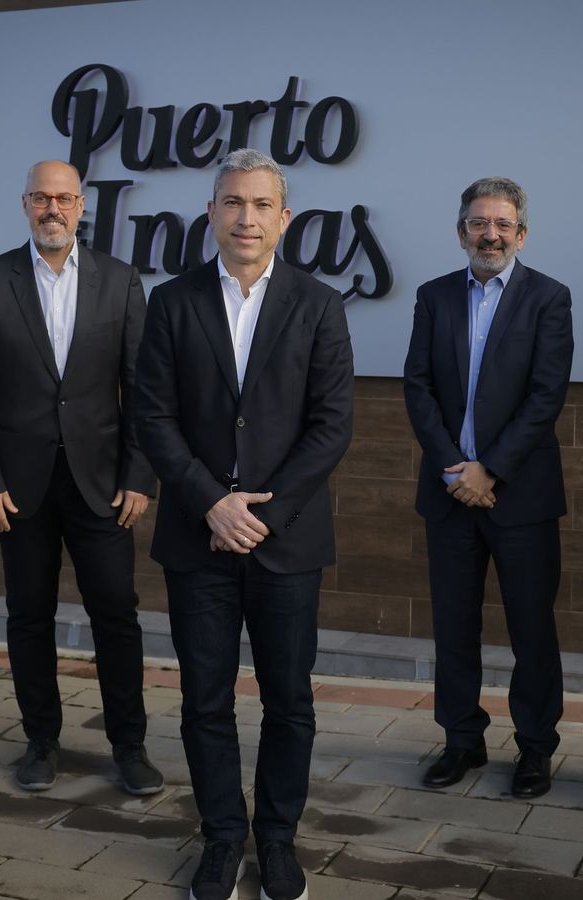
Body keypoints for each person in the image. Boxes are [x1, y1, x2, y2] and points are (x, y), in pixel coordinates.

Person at [133, 148, 353, 900]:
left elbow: (332, 425)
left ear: (284, 219)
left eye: (261, 205)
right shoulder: (172, 302)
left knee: (290, 700)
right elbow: (153, 417)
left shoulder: (319, 304)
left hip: (286, 539)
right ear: (211, 213)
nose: (246, 217)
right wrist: (210, 501)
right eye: (233, 202)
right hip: (198, 537)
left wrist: (263, 513)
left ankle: (279, 841)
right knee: (205, 700)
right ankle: (223, 839)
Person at [0, 161, 161, 795]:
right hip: (19, 486)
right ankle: (41, 741)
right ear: (25, 204)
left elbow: (144, 388)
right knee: (28, 615)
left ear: (81, 206)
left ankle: (129, 746)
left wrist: (140, 476)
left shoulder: (120, 281)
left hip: (103, 484)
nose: (53, 208)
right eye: (42, 197)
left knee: (116, 615)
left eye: (64, 198)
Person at [402, 177, 573, 799]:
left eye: (502, 224)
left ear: (521, 234)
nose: (490, 235)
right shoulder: (434, 297)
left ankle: (535, 748)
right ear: (461, 233)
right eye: (479, 223)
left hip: (520, 495)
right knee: (454, 626)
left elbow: (546, 395)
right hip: (450, 493)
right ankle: (461, 741)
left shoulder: (549, 298)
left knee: (532, 629)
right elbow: (418, 386)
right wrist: (455, 467)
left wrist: (489, 469)